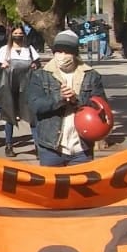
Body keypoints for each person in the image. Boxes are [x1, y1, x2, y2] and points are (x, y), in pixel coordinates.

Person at [26, 29, 107, 167]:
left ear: (75, 53)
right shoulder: (40, 75)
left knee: (81, 187)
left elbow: (101, 107)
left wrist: (77, 100)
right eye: (59, 51)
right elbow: (35, 105)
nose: (62, 55)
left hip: (81, 148)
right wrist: (59, 98)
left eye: (67, 51)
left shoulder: (91, 75)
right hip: (51, 147)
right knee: (52, 188)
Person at [0, 25, 39, 157]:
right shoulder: (5, 50)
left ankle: (38, 146)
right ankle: (9, 145)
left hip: (27, 88)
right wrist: (3, 66)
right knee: (10, 116)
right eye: (15, 33)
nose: (18, 35)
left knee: (32, 117)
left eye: (20, 33)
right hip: (10, 88)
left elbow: (37, 64)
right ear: (11, 34)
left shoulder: (29, 50)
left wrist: (34, 65)